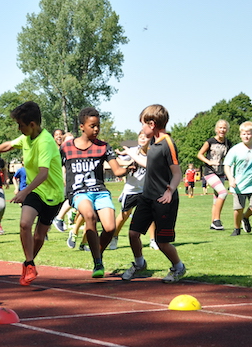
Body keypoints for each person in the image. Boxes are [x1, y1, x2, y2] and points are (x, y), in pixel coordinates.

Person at [0, 101, 64, 286]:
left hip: (53, 194)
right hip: (35, 190)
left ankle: (28, 263)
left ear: (32, 124)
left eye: (20, 125)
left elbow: (44, 174)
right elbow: (7, 146)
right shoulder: (27, 138)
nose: (18, 128)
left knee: (39, 236)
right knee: (24, 224)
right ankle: (30, 264)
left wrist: (23, 192)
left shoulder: (45, 142)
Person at [120, 104, 186, 283]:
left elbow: (177, 173)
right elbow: (149, 164)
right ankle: (140, 264)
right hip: (146, 197)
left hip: (164, 200)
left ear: (152, 124)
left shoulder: (168, 143)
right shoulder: (153, 144)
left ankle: (178, 267)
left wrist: (170, 191)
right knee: (133, 234)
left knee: (162, 242)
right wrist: (130, 154)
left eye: (142, 124)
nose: (141, 129)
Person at [60, 107, 126, 278]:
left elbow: (117, 170)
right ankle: (98, 261)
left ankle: (98, 253)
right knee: (89, 215)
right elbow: (54, 166)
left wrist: (131, 167)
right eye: (92, 126)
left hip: (100, 191)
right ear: (82, 126)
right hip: (78, 192)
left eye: (98, 126)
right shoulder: (66, 147)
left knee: (110, 228)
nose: (96, 129)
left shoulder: (104, 147)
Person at [109, 132, 158, 253]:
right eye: (140, 136)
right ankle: (114, 237)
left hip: (147, 189)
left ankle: (153, 240)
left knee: (151, 216)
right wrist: (129, 164)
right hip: (131, 189)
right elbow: (117, 161)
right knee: (124, 215)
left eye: (146, 136)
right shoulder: (132, 151)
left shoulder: (154, 152)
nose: (143, 138)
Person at [197, 119, 232, 230]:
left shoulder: (228, 143)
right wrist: (209, 162)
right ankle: (217, 220)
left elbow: (230, 158)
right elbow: (200, 154)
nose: (222, 130)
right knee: (223, 192)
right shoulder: (210, 141)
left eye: (224, 128)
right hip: (210, 172)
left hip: (221, 172)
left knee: (217, 198)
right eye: (220, 127)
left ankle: (213, 223)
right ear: (216, 129)